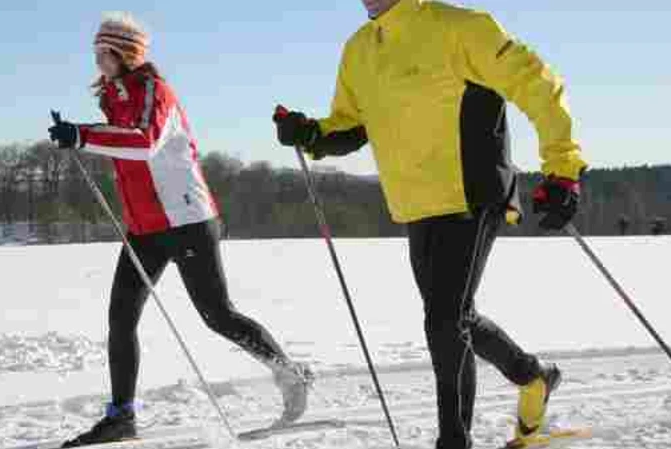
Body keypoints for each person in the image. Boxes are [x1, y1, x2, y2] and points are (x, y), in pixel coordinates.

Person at [272, 1, 588, 448]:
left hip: (472, 194)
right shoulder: (361, 48)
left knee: (444, 320)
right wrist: (310, 134)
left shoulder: (461, 28)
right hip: (416, 204)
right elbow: (352, 125)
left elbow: (539, 85)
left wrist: (563, 168)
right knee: (456, 318)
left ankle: (453, 442)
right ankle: (532, 377)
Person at [48, 12, 313, 448]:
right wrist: (80, 132)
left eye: (105, 52)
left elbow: (143, 141)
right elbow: (117, 133)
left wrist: (82, 135)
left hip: (187, 221)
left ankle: (289, 371)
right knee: (120, 318)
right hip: (143, 228)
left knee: (217, 315)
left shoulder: (156, 91)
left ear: (127, 54)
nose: (98, 61)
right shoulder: (113, 97)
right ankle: (121, 416)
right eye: (95, 53)